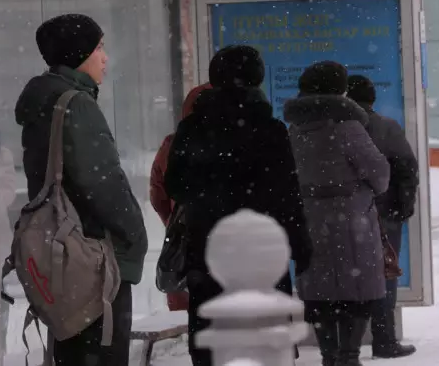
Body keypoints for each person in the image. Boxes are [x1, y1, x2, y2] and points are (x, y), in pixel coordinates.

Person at [165, 45, 311, 366]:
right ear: (257, 78)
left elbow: (174, 185)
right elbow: (287, 196)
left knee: (211, 339)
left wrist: (208, 196)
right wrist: (301, 247)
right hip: (261, 252)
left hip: (209, 250)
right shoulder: (270, 130)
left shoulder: (192, 128)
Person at [14, 13, 148, 366]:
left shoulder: (43, 101)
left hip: (62, 255)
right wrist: (134, 235)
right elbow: (103, 183)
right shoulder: (76, 104)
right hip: (93, 259)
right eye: (99, 48)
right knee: (102, 353)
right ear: (78, 54)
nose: (105, 57)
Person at [285, 62, 389, 366]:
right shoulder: (347, 127)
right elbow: (379, 173)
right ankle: (349, 356)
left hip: (309, 219)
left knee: (319, 293)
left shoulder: (294, 130)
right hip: (352, 219)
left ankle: (329, 355)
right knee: (357, 291)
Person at [346, 75, 418, 359]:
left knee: (349, 277)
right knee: (385, 275)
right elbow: (407, 169)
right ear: (372, 99)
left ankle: (346, 345)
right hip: (384, 214)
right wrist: (403, 207)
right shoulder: (387, 128)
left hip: (345, 216)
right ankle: (384, 338)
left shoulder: (336, 130)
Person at [149, 83, 211, 312]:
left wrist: (173, 222)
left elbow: (158, 195)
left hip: (185, 247)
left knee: (187, 319)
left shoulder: (173, 145)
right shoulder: (237, 145)